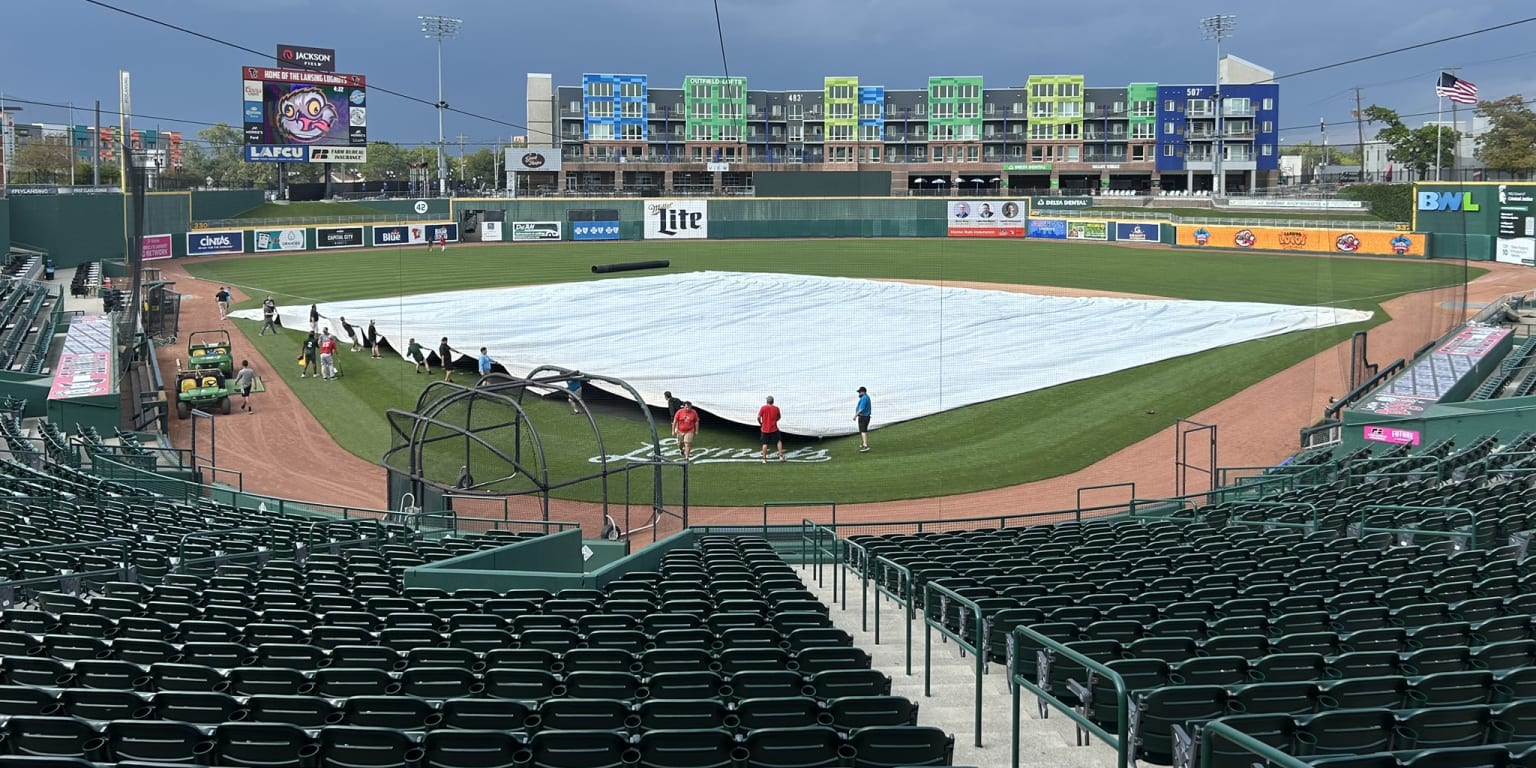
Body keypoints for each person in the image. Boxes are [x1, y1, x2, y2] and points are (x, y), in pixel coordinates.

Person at [757, 395, 784, 464]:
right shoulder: (776, 408)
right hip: (774, 428)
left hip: (765, 429)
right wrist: (775, 421)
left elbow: (758, 417)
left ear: (767, 401)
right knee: (778, 441)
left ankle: (764, 459)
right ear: (773, 401)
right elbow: (779, 417)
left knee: (765, 443)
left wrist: (761, 423)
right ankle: (781, 456)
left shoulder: (763, 408)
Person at [854, 386, 872, 452]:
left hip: (863, 417)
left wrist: (855, 416)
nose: (859, 394)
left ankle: (865, 445)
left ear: (863, 392)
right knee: (863, 431)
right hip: (866, 417)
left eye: (860, 392)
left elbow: (861, 409)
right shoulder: (866, 397)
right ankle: (864, 443)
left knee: (863, 431)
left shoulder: (864, 398)